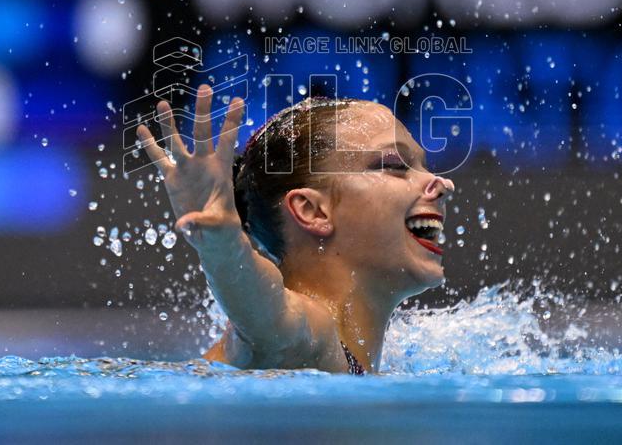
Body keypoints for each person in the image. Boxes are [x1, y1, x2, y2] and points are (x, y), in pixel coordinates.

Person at [135, 85, 454, 374]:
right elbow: (265, 315)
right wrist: (223, 244)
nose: (442, 184)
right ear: (312, 210)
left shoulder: (349, 356)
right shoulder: (307, 338)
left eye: (423, 165)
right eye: (395, 165)